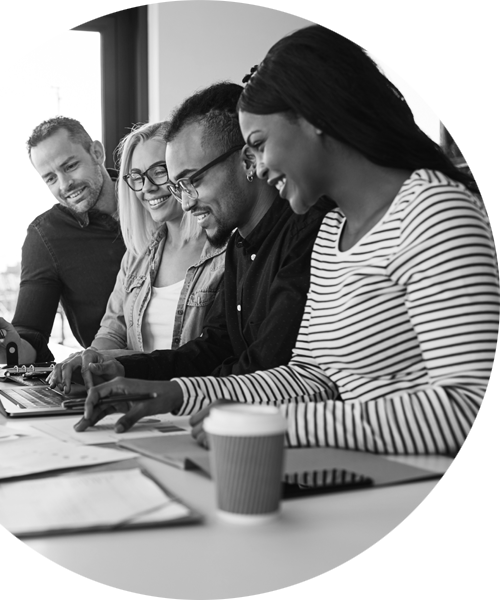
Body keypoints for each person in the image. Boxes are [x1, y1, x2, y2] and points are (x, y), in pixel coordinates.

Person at [79, 26, 500, 469]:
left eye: (259, 145)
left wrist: (282, 423)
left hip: (458, 503)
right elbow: (309, 378)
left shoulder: (433, 209)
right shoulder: (334, 231)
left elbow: (477, 408)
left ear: (315, 118)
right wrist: (180, 393)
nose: (257, 167)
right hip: (382, 486)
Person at [65, 81, 333, 432]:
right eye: (179, 185)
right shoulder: (239, 244)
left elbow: (266, 371)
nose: (187, 200)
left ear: (247, 160)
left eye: (192, 181)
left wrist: (175, 394)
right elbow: (213, 348)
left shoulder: (307, 233)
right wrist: (128, 371)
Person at [49, 121, 226, 391]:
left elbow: (211, 355)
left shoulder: (225, 251)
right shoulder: (138, 255)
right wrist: (88, 363)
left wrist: (111, 361)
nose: (147, 187)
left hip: (191, 402)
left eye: (159, 172)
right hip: (134, 401)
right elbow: (111, 332)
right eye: (136, 177)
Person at [0, 117, 126, 365]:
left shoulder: (151, 198)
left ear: (97, 152)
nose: (65, 184)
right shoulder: (46, 236)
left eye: (70, 166)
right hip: (107, 375)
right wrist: (8, 348)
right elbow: (30, 336)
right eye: (50, 178)